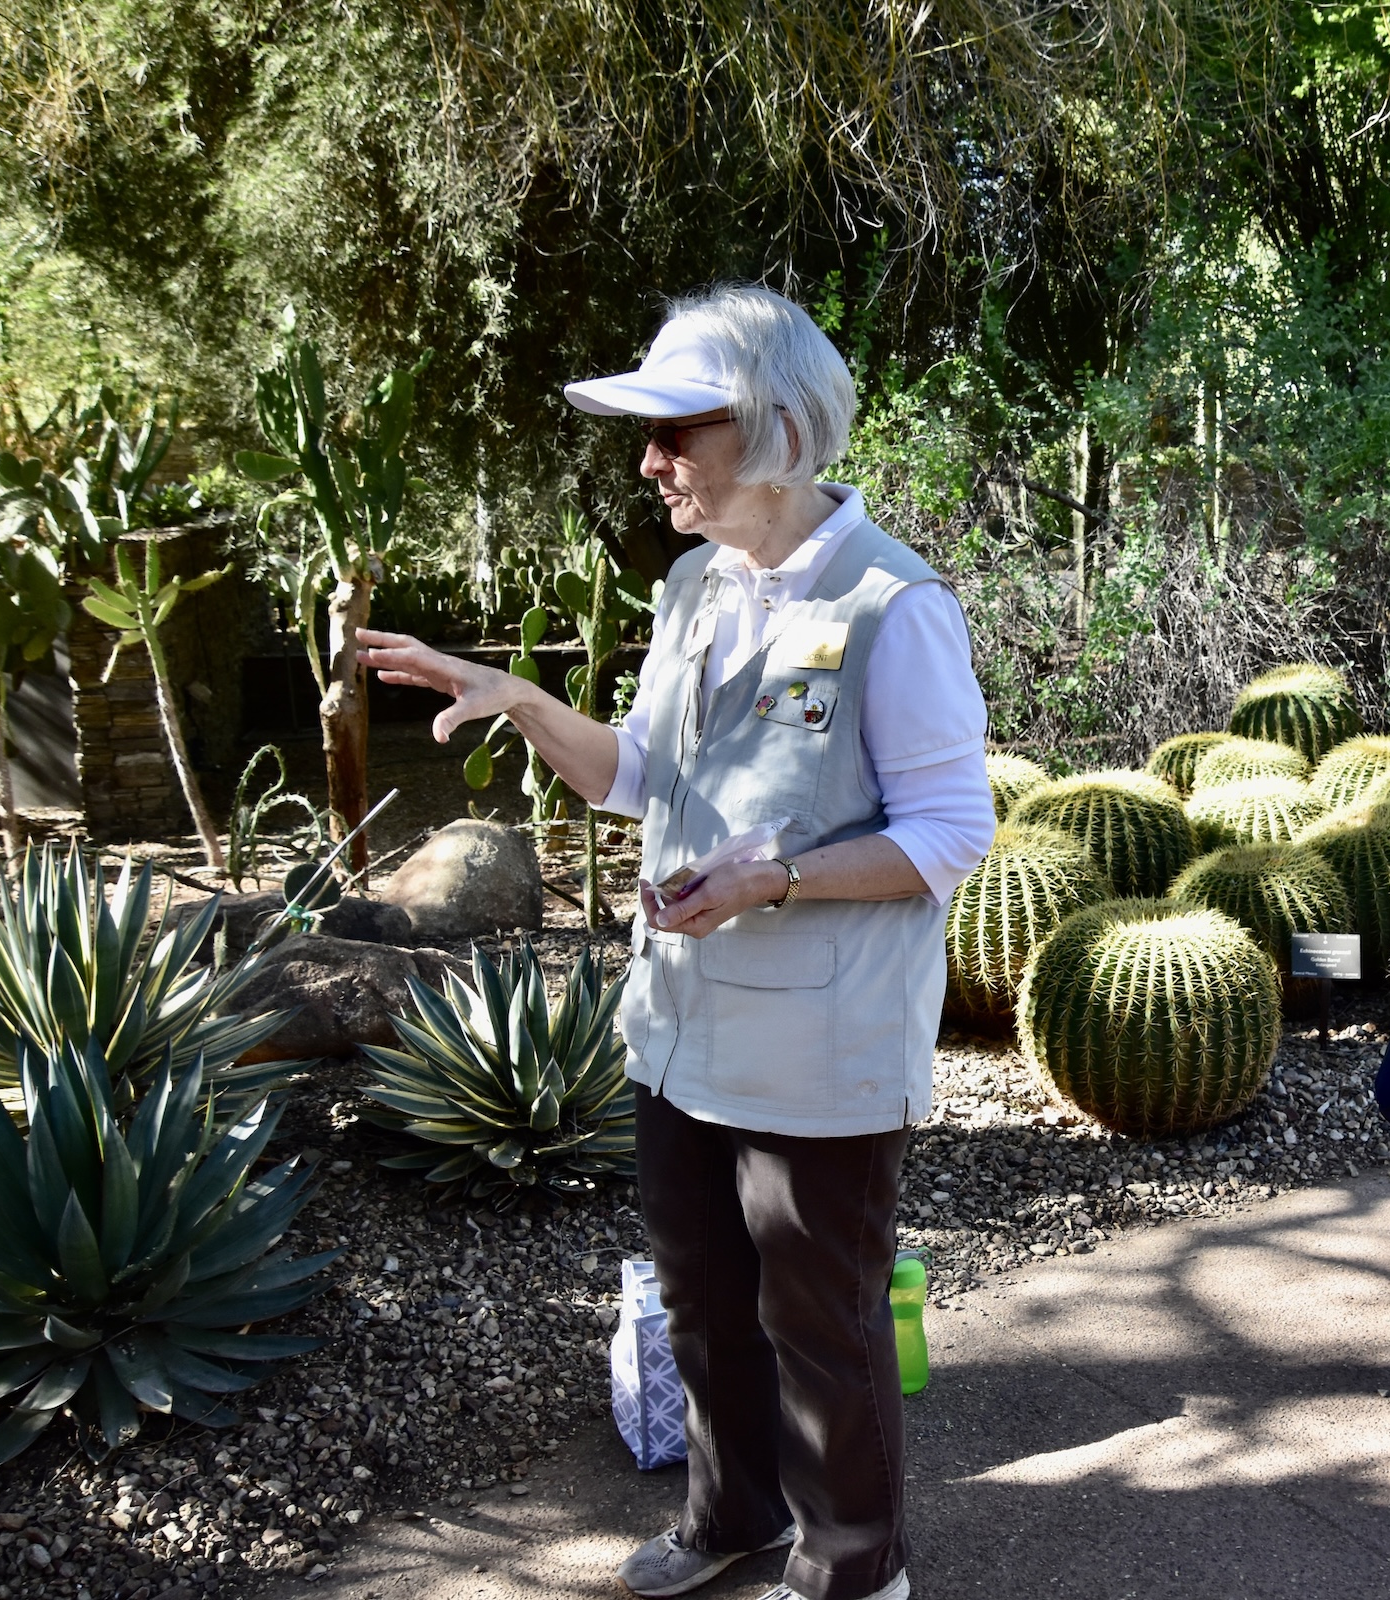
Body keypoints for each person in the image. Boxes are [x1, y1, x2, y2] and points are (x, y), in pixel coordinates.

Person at [357, 284, 994, 1600]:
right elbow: (638, 775)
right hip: (680, 1029)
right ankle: (732, 1521)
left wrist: (779, 878)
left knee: (819, 1324)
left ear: (769, 433)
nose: (651, 463)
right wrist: (526, 701)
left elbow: (948, 835)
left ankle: (855, 1568)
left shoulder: (896, 605)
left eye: (675, 433)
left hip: (819, 1050)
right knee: (704, 1303)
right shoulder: (698, 584)